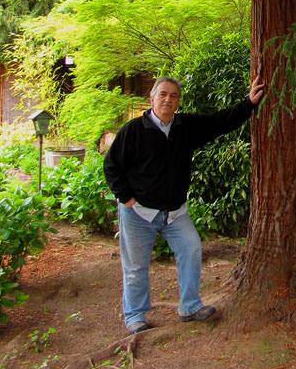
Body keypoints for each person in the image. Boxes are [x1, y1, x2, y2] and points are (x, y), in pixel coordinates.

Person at [103, 74, 265, 334]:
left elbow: (220, 121)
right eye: (163, 94)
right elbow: (111, 167)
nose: (168, 99)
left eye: (174, 95)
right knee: (135, 266)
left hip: (175, 213)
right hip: (138, 213)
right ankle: (135, 316)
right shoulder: (133, 130)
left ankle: (189, 307)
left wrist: (249, 103)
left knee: (191, 250)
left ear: (178, 101)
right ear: (152, 98)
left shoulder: (185, 126)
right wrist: (128, 199)